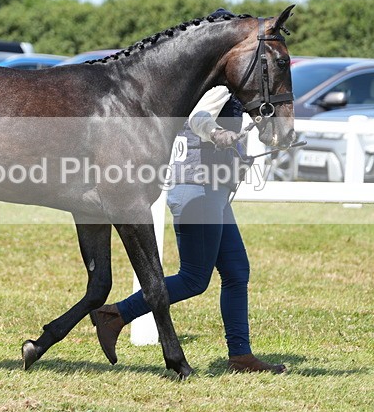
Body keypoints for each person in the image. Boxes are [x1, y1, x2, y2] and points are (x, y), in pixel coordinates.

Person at [90, 84, 287, 374]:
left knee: (236, 271)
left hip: (212, 190)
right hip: (198, 190)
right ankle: (115, 314)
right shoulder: (218, 85)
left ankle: (241, 356)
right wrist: (217, 134)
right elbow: (199, 118)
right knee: (194, 278)